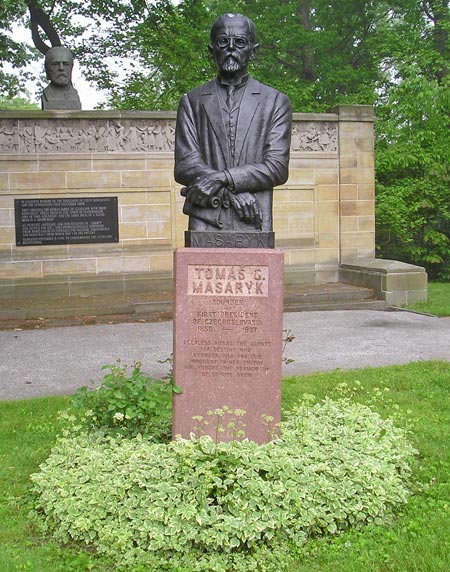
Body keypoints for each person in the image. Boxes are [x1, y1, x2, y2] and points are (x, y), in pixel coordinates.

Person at [174, 13, 291, 235]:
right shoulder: (192, 101)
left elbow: (277, 167)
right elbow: (185, 166)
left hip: (254, 223)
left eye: (239, 42)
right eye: (222, 42)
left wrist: (221, 178)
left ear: (252, 51)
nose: (230, 49)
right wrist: (232, 193)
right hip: (205, 221)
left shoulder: (275, 101)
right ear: (212, 50)